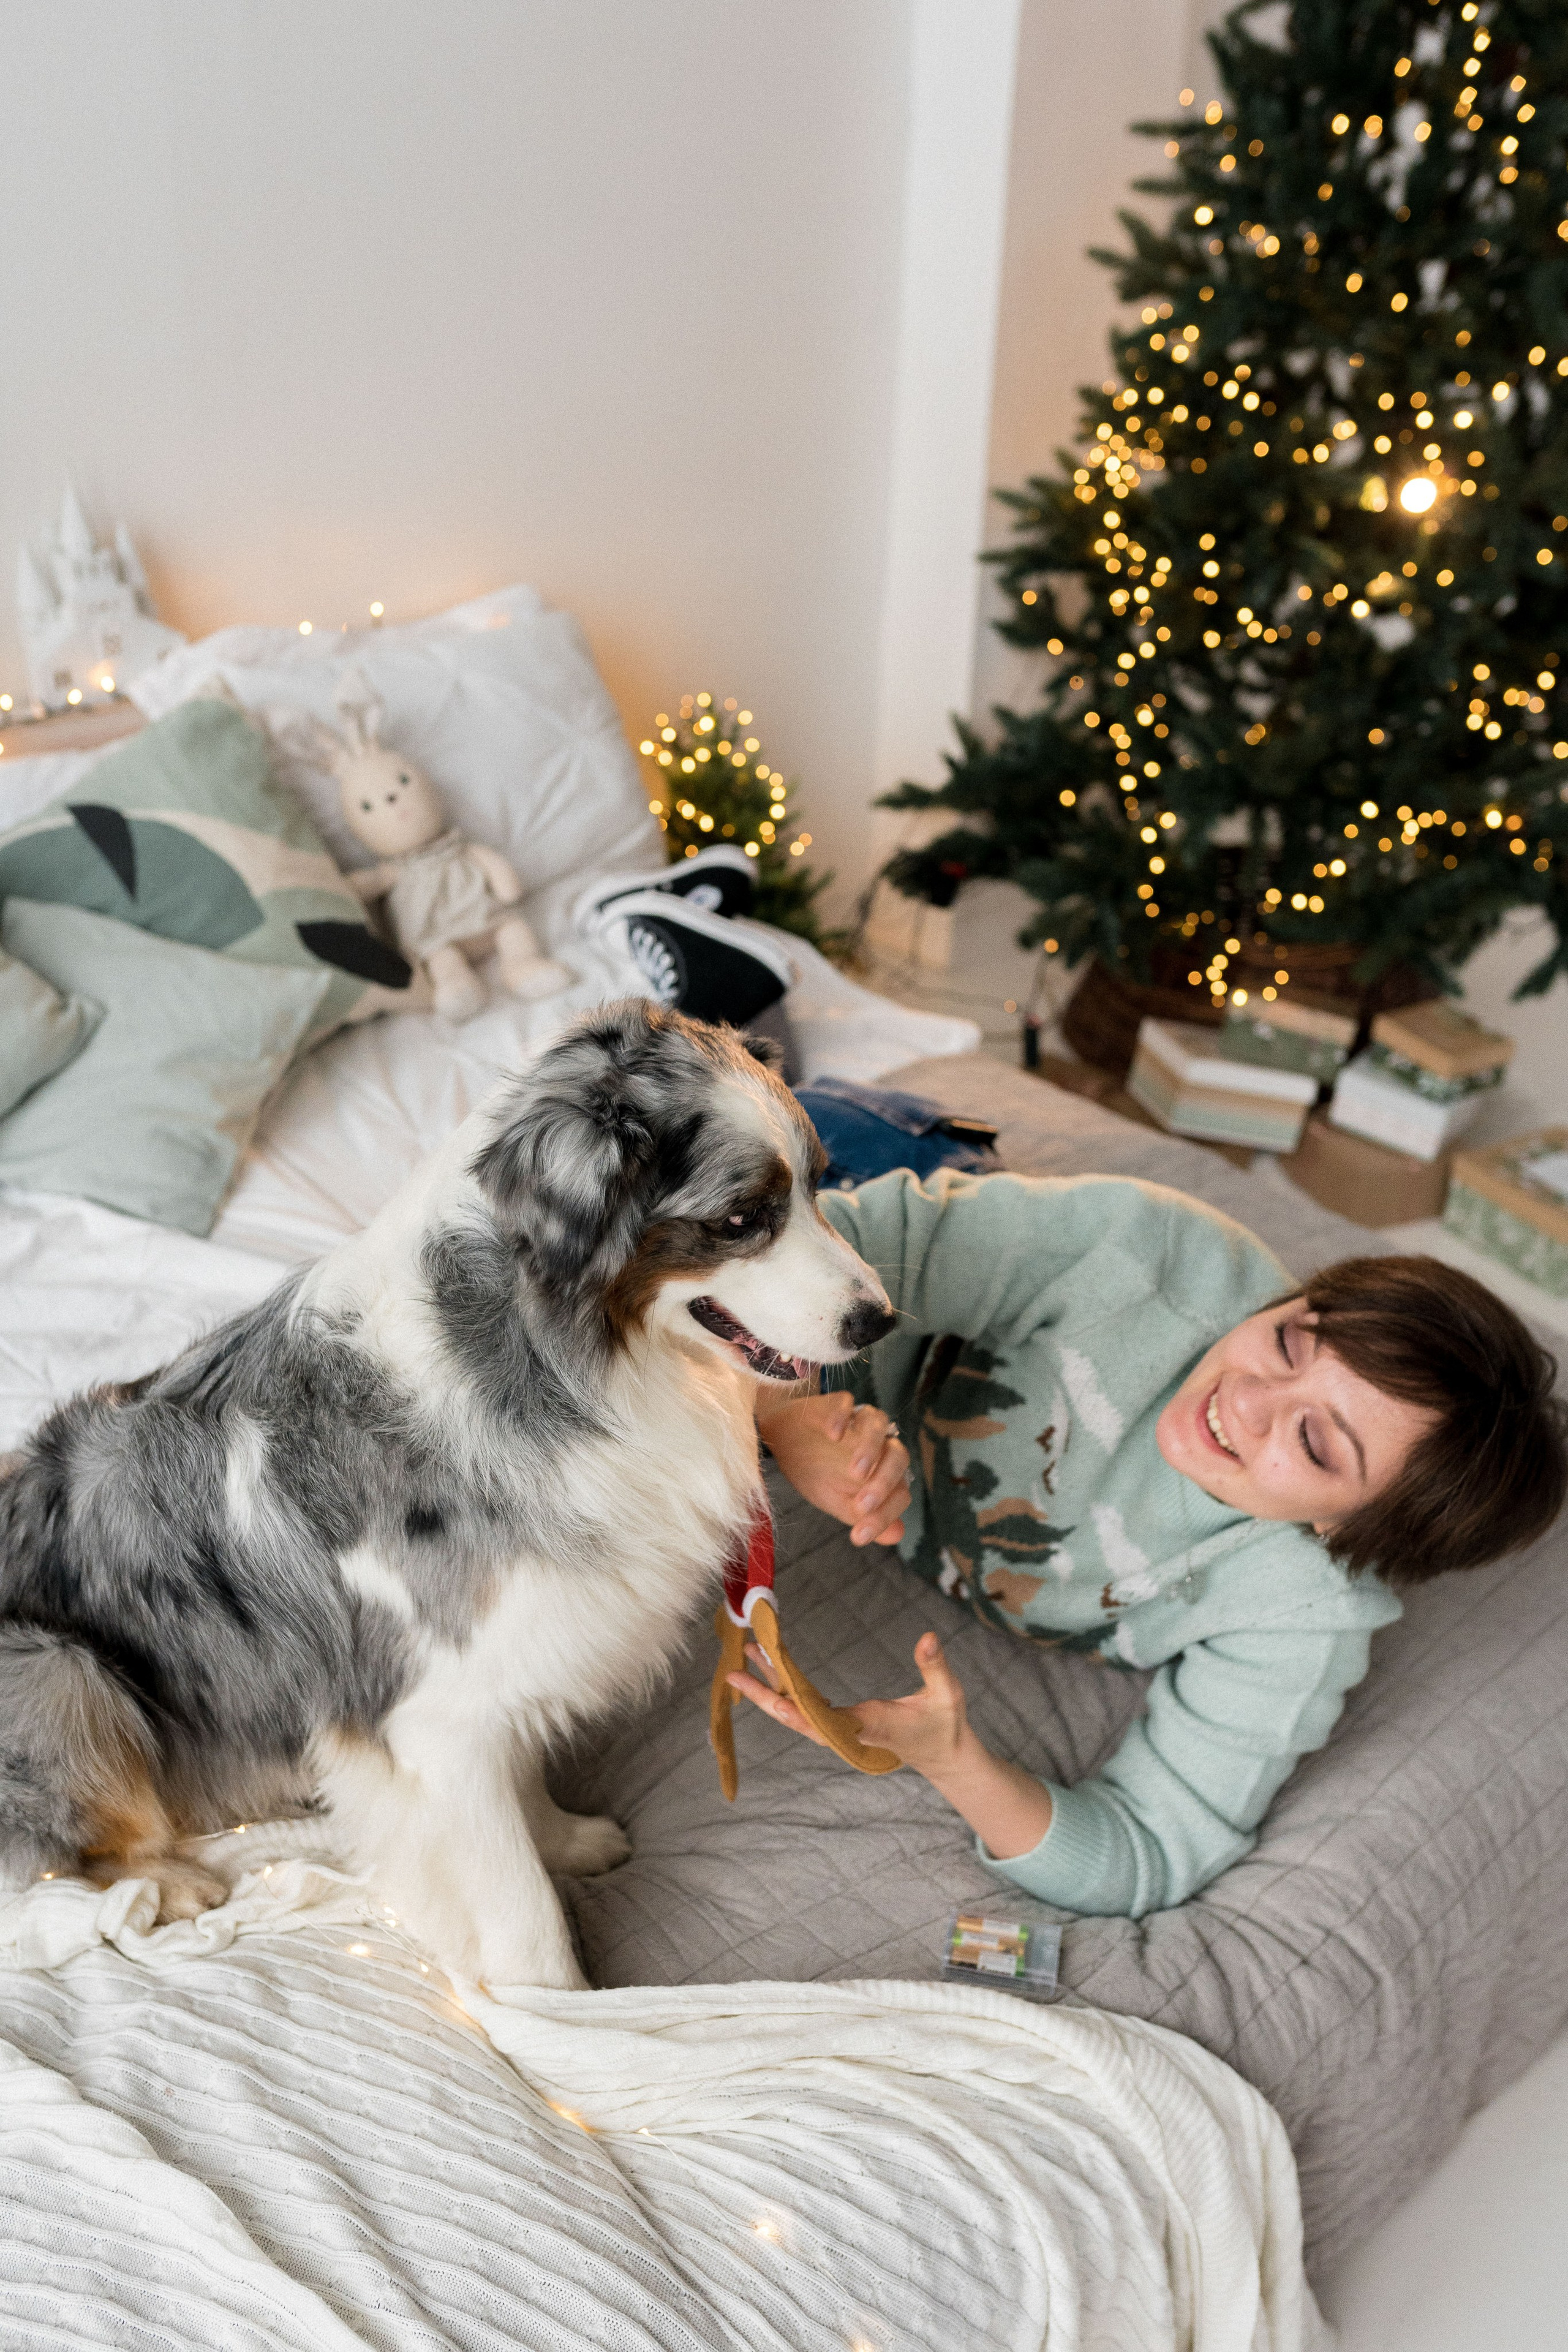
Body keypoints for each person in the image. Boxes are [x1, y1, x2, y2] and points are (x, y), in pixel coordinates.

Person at [731, 1168, 1568, 1918]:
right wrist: (785, 1412)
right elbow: (832, 1238)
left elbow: (1147, 1852)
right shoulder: (1136, 1254)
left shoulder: (1305, 1613)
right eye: (1290, 1342)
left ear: (1344, 1530)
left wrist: (955, 1761)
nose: (1247, 1399)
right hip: (851, 1340)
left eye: (1315, 1444)